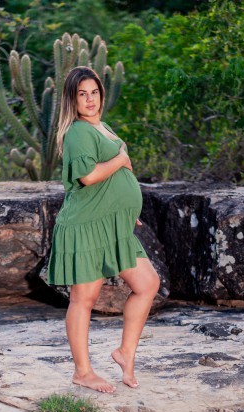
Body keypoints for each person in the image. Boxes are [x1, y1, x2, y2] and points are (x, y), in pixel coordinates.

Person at [47, 66, 160, 393]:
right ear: (72, 99)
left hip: (111, 224)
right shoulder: (78, 131)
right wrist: (122, 161)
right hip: (86, 226)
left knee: (147, 283)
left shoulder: (101, 127)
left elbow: (107, 184)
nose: (90, 99)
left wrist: (124, 208)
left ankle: (125, 353)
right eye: (82, 94)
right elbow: (89, 176)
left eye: (94, 92)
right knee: (84, 298)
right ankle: (82, 371)